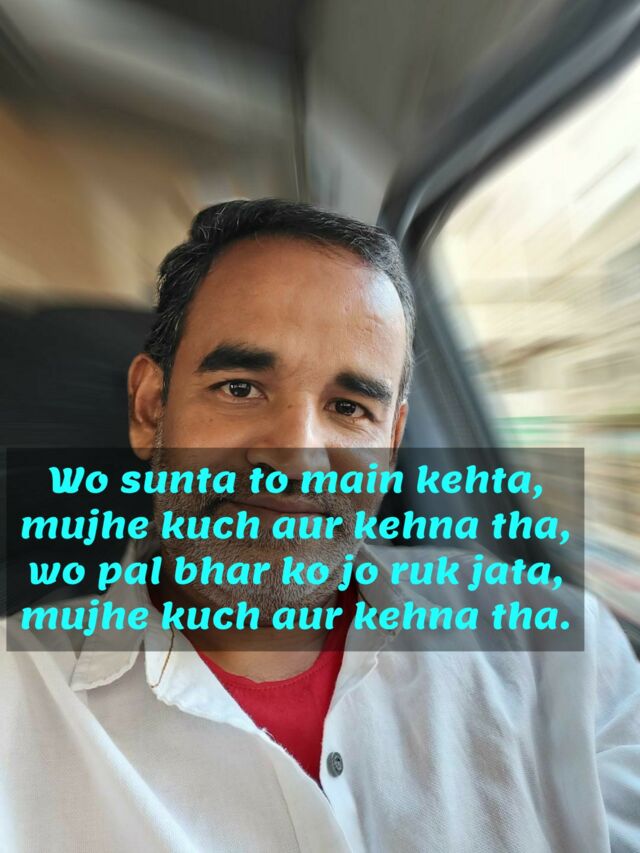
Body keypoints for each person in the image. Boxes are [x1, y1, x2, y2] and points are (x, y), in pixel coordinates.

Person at [1, 199, 639, 852]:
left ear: (391, 443)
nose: (296, 457)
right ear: (150, 408)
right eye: (240, 387)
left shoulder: (556, 654)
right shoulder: (16, 699)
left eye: (349, 407)